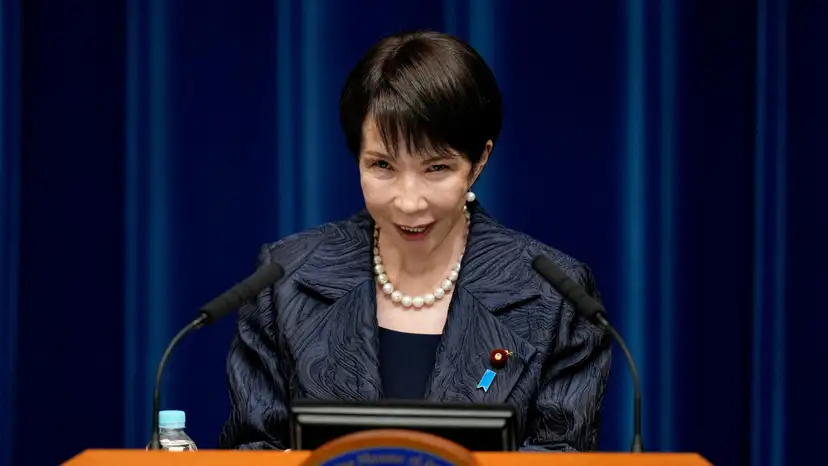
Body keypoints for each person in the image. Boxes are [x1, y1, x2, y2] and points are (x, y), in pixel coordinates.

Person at [217, 30, 611, 452]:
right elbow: (253, 449)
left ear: (478, 163)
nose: (408, 201)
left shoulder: (555, 295)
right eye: (382, 165)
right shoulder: (287, 278)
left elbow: (561, 457)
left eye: (436, 168)